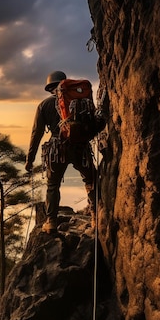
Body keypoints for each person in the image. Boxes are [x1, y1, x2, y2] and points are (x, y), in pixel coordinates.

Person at [24, 70, 98, 233]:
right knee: (91, 179)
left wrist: (30, 159)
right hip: (81, 147)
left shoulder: (44, 105)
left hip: (57, 149)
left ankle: (51, 222)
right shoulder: (81, 101)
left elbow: (36, 133)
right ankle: (95, 217)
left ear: (50, 87)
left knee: (53, 185)